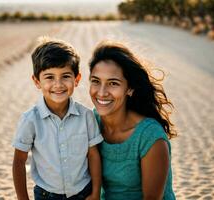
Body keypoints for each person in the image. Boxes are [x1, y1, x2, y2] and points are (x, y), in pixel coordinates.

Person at [12, 37, 103, 200]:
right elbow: (19, 161)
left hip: (83, 193)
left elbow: (93, 155)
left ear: (77, 79)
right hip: (46, 195)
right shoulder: (30, 120)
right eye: (49, 77)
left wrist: (96, 192)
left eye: (65, 76)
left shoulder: (86, 116)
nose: (58, 84)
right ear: (37, 81)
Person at [88, 40, 177, 200]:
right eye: (96, 81)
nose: (101, 92)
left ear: (129, 88)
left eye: (113, 83)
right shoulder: (91, 122)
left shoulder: (150, 137)